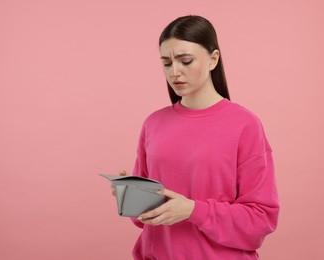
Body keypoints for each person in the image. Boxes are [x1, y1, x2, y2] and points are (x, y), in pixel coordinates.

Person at [113, 15, 279, 259]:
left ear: (213, 59)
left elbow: (260, 220)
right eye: (167, 63)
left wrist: (192, 210)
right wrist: (131, 195)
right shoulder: (153, 123)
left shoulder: (245, 125)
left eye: (186, 61)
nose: (175, 72)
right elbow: (143, 220)